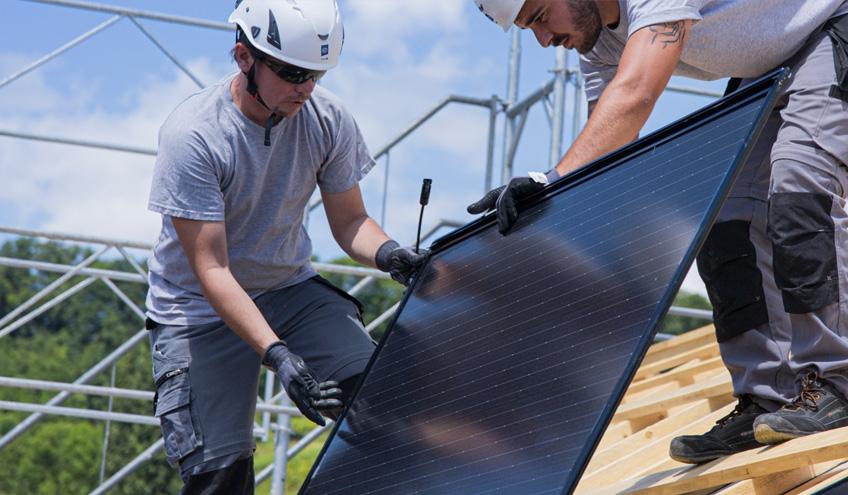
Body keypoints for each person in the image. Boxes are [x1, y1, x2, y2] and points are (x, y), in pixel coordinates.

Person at [472, 0, 848, 464]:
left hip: (831, 25)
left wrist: (550, 179)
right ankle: (767, 397)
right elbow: (606, 154)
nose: (544, 40)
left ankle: (837, 383)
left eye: (540, 16)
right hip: (771, 62)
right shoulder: (596, 46)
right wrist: (540, 220)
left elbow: (635, 96)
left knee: (799, 189)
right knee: (726, 221)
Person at [144, 0, 426, 491]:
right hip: (198, 311)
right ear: (244, 58)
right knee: (220, 478)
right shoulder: (194, 136)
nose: (306, 88)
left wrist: (389, 254)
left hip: (288, 287)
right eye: (293, 72)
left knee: (382, 398)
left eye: (316, 74)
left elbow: (352, 221)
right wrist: (279, 356)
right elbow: (212, 271)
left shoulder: (327, 118)